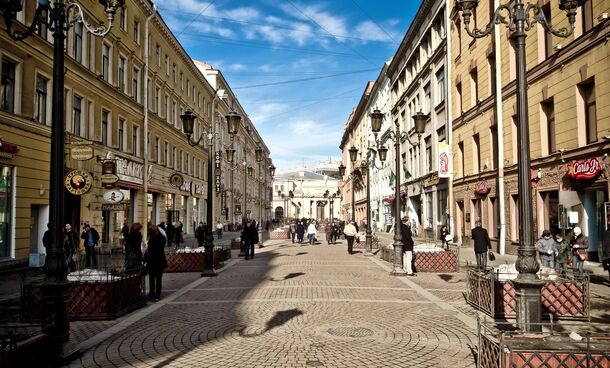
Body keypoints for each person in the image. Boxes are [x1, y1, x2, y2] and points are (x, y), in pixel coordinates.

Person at [146, 225, 167, 301]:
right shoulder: (153, 238)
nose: (151, 232)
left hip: (159, 261)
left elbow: (158, 249)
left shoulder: (161, 238)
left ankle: (157, 294)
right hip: (152, 261)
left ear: (156, 231)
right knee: (151, 278)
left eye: (151, 231)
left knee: (158, 278)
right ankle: (151, 293)